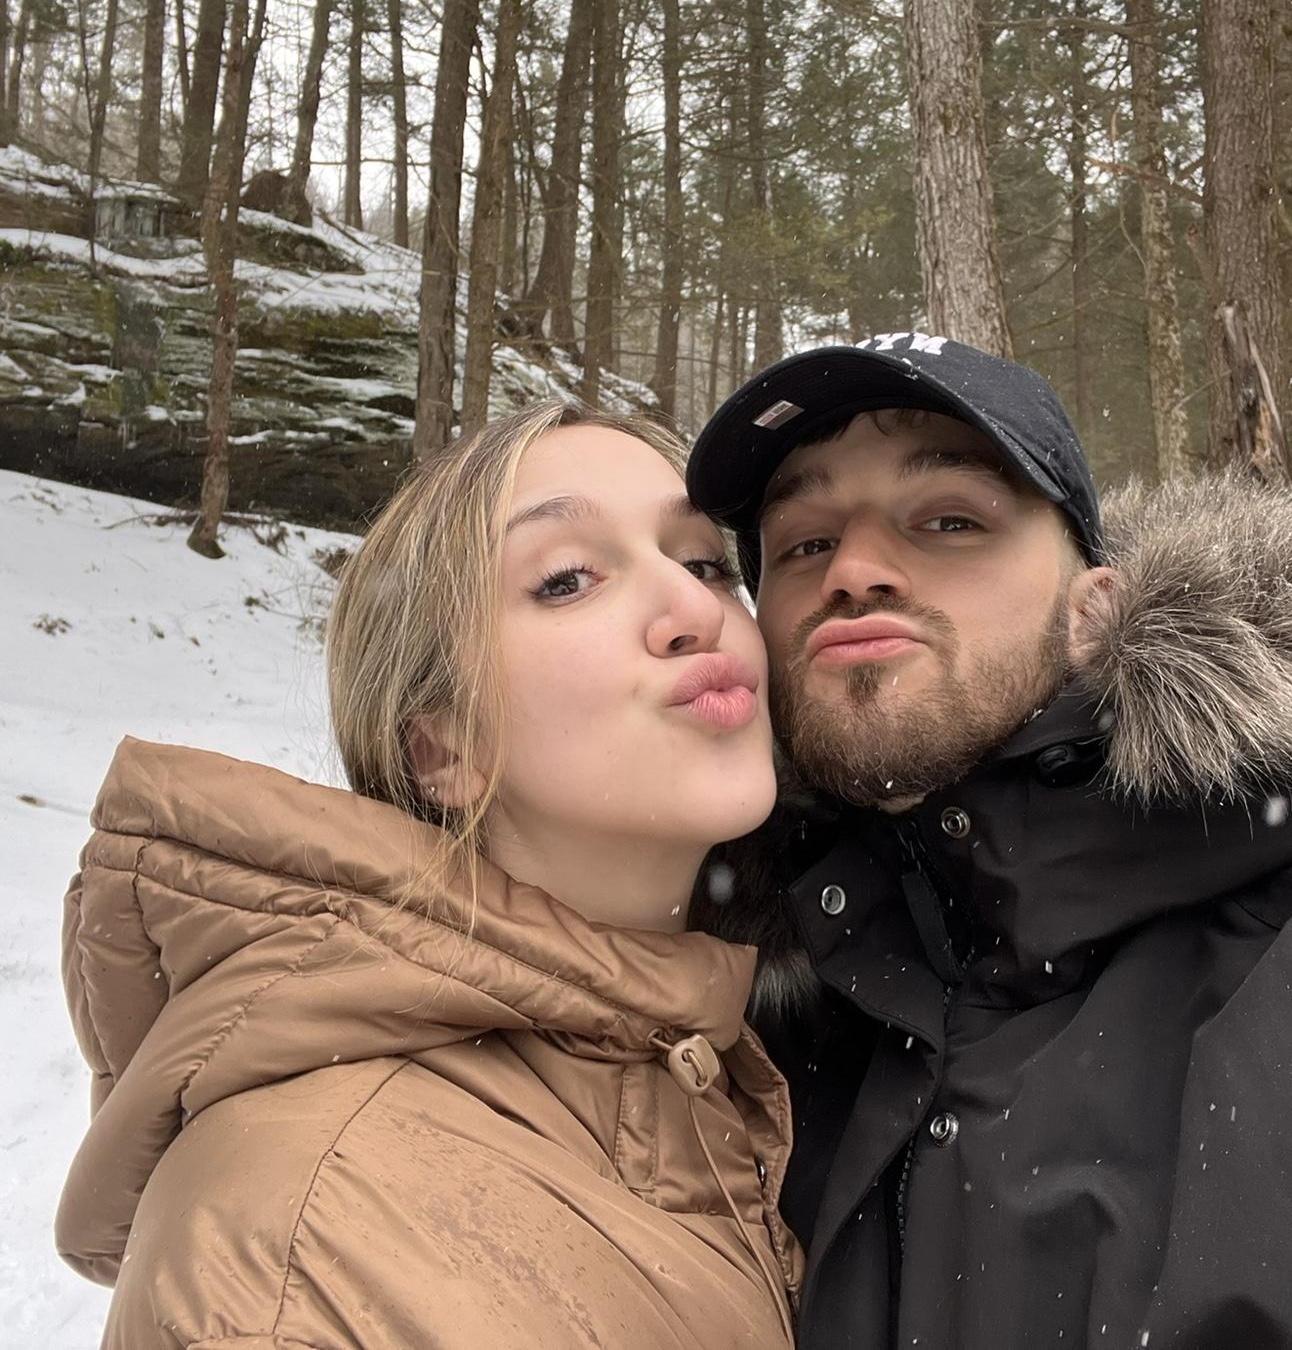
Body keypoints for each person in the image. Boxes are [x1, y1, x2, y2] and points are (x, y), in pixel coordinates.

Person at [687, 332, 1292, 1350]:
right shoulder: (732, 1035)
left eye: (949, 520)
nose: (852, 572)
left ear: (1097, 609)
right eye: (804, 544)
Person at [55, 401, 801, 1350]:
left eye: (704, 564)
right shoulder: (296, 1265)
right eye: (567, 580)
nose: (698, 612)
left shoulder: (759, 1041)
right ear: (442, 748)